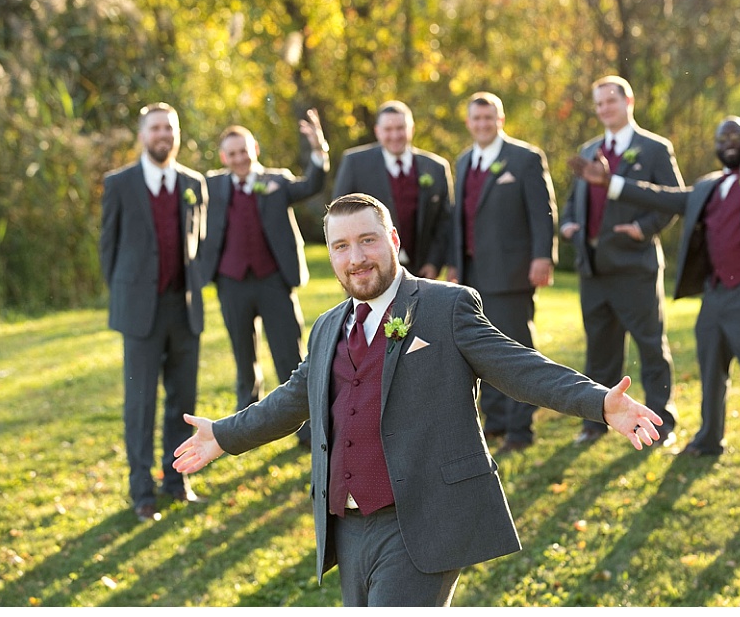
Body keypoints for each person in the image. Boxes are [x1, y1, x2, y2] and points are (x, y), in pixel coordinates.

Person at [172, 193, 663, 607]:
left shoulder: (445, 307)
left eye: (367, 240)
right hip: (347, 527)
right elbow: (292, 399)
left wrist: (599, 402)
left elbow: (519, 368)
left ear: (393, 242)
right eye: (341, 246)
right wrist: (224, 435)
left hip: (423, 519)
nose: (356, 257)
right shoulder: (326, 327)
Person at [582, 112, 740, 497]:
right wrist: (611, 182)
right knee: (710, 374)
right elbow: (665, 198)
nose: (728, 144)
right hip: (715, 296)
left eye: (736, 137)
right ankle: (708, 440)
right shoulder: (707, 187)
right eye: (721, 140)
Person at [558, 73, 685, 445]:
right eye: (598, 103)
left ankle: (662, 426)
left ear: (628, 102)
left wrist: (643, 229)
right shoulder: (588, 150)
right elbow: (572, 201)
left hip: (635, 266)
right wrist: (568, 224)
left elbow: (672, 200)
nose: (604, 109)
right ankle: (594, 422)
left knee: (650, 347)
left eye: (610, 101)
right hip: (592, 267)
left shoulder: (654, 149)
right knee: (599, 350)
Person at [99, 101, 209, 520]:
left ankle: (176, 479)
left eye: (170, 128)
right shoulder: (120, 184)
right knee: (140, 402)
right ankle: (141, 489)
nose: (163, 134)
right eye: (156, 128)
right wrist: (126, 293)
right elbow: (108, 248)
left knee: (183, 400)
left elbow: (198, 241)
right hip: (140, 313)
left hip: (184, 309)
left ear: (177, 135)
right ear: (143, 135)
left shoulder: (194, 183)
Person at [196, 111, 329, 450]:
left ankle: (305, 429)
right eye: (232, 153)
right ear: (224, 158)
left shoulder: (277, 180)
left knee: (289, 355)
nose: (240, 158)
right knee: (244, 358)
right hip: (231, 282)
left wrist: (318, 149)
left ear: (254, 148)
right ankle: (245, 427)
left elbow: (311, 184)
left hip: (273, 280)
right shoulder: (211, 185)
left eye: (244, 151)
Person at [448, 92, 557, 452]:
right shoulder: (464, 162)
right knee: (480, 349)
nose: (482, 124)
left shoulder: (524, 158)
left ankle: (520, 430)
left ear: (501, 119)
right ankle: (493, 422)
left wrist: (543, 256)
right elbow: (460, 219)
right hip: (471, 274)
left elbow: (542, 212)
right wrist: (454, 265)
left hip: (512, 272)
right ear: (469, 122)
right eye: (476, 119)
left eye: (489, 118)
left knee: (516, 351)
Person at [334, 100, 455, 279]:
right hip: (369, 269)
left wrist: (434, 263)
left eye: (400, 128)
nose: (395, 135)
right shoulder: (354, 164)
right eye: (388, 130)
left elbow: (444, 222)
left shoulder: (436, 167)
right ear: (377, 131)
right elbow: (340, 217)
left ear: (411, 129)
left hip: (422, 271)